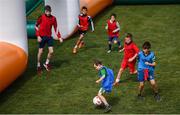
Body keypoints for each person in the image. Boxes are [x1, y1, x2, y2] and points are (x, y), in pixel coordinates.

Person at [35, 5, 63, 74]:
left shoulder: (53, 18)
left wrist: (59, 37)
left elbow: (56, 28)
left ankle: (46, 63)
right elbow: (36, 26)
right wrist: (38, 36)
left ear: (51, 11)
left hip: (49, 37)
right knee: (40, 52)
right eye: (46, 11)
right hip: (42, 37)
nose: (48, 12)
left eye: (49, 11)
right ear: (45, 11)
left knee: (51, 51)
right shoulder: (41, 17)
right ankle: (38, 65)